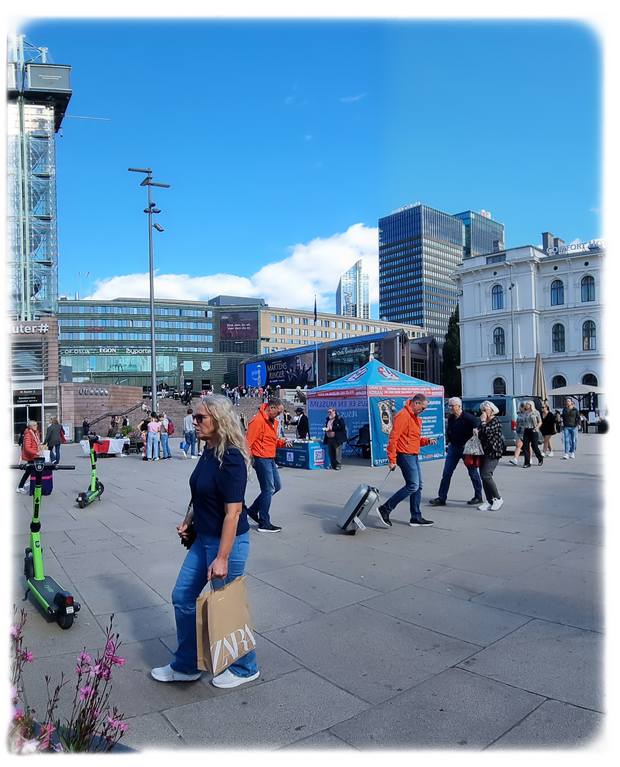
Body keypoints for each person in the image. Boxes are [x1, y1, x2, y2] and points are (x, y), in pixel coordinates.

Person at [151, 394, 260, 688]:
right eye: (194, 417)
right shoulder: (209, 450)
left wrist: (222, 556)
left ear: (219, 420)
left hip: (228, 544)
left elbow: (233, 512)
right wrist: (188, 520)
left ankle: (246, 667)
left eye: (201, 418)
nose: (194, 422)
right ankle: (187, 665)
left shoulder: (233, 457)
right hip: (204, 541)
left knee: (227, 605)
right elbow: (199, 492)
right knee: (183, 596)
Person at [376, 394, 437, 528]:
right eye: (423, 408)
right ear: (416, 403)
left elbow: (413, 439)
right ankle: (385, 508)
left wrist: (426, 441)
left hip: (413, 454)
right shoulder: (403, 415)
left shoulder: (415, 418)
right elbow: (393, 438)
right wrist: (392, 459)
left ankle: (416, 517)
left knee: (418, 486)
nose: (423, 410)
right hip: (405, 455)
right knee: (413, 485)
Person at [245, 398, 291, 532]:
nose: (279, 415)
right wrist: (247, 461)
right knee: (269, 489)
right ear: (271, 408)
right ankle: (264, 522)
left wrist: (282, 442)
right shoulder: (258, 421)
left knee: (276, 486)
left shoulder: (271, 422)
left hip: (269, 457)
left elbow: (271, 440)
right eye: (278, 412)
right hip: (261, 458)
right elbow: (248, 442)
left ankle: (253, 510)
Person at [429, 396, 483, 507]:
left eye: (452, 406)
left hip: (467, 449)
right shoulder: (451, 418)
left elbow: (478, 429)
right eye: (449, 406)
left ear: (459, 406)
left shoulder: (469, 418)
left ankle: (478, 496)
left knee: (473, 473)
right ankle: (441, 498)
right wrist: (449, 442)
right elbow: (450, 431)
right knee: (446, 473)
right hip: (453, 448)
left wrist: (476, 431)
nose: (450, 408)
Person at [476, 401, 505, 511]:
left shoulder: (496, 420)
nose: (483, 412)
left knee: (486, 474)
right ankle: (489, 500)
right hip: (483, 451)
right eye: (482, 410)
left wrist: (483, 422)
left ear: (492, 410)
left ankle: (498, 498)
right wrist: (476, 431)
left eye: (485, 409)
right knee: (483, 476)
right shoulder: (482, 422)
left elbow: (488, 432)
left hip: (493, 451)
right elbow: (480, 432)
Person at [16, 420, 43, 493]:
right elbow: (27, 448)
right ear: (30, 426)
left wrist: (40, 448)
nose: (36, 426)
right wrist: (36, 453)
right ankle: (20, 486)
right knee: (29, 471)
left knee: (31, 471)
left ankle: (29, 484)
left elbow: (37, 443)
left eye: (36, 425)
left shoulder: (35, 433)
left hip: (35, 456)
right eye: (34, 425)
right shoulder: (28, 434)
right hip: (31, 456)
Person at [522, 400, 544, 468]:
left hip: (533, 430)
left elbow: (540, 422)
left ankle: (540, 458)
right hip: (526, 430)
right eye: (526, 404)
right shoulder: (525, 412)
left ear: (531, 405)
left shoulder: (536, 412)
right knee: (525, 447)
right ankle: (527, 463)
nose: (526, 405)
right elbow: (523, 422)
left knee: (534, 446)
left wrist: (536, 427)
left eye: (528, 404)